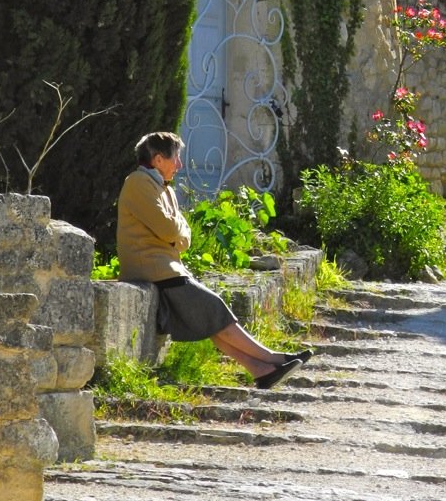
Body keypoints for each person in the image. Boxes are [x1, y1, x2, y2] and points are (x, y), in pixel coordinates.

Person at [116, 131, 312, 390]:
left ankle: (261, 370)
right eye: (175, 158)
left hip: (167, 269)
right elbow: (170, 230)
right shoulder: (138, 183)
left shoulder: (165, 190)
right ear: (158, 159)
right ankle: (273, 359)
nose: (180, 165)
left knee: (211, 321)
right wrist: (176, 233)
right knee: (214, 309)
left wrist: (176, 233)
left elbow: (185, 237)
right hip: (153, 269)